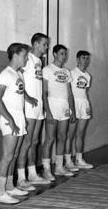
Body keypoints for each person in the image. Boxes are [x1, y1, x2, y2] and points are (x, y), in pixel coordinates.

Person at [0, 43, 36, 203]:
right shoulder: (5, 74)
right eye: (24, 56)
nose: (26, 59)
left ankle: (10, 187)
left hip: (19, 117)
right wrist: (10, 120)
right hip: (9, 118)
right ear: (15, 55)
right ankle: (0, 193)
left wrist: (29, 99)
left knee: (15, 155)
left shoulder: (18, 74)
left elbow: (20, 92)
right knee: (7, 156)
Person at [16, 33, 50, 192]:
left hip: (39, 106)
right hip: (29, 106)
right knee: (27, 141)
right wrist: (27, 97)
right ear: (36, 44)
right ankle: (21, 178)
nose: (47, 47)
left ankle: (32, 174)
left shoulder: (39, 61)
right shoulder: (27, 58)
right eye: (44, 44)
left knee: (35, 141)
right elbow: (17, 76)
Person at [42, 44, 76, 180]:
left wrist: (72, 110)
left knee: (62, 137)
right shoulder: (47, 69)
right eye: (62, 53)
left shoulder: (67, 72)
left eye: (65, 54)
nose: (64, 56)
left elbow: (70, 93)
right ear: (55, 54)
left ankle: (59, 167)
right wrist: (48, 111)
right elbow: (44, 93)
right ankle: (46, 169)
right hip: (52, 105)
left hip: (64, 107)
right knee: (49, 139)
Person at [65, 50, 93, 170]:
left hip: (84, 104)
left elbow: (84, 91)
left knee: (80, 134)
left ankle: (79, 159)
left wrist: (84, 105)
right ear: (77, 59)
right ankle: (67, 161)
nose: (85, 60)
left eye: (87, 58)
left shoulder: (88, 76)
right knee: (70, 135)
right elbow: (69, 92)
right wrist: (72, 107)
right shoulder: (71, 73)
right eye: (83, 58)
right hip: (73, 104)